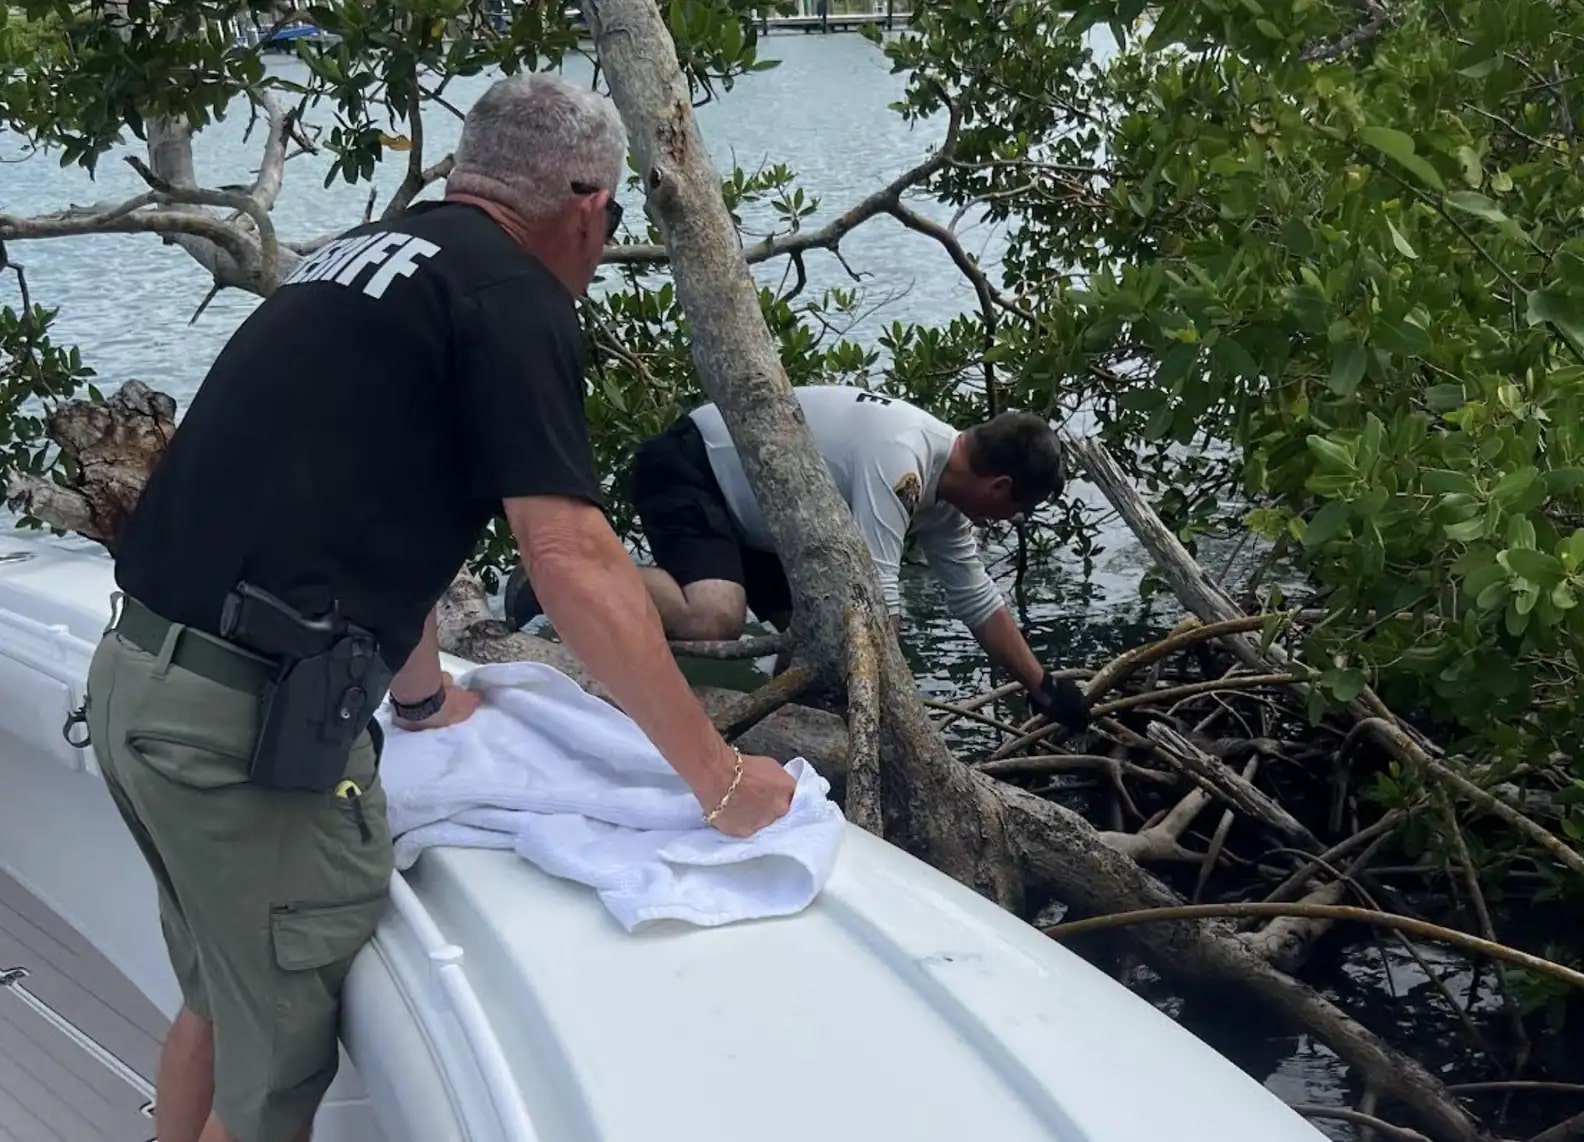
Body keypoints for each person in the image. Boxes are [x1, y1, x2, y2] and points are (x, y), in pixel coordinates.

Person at [82, 73, 794, 1142]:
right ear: (588, 205)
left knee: (220, 1004)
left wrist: (419, 703)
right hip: (237, 738)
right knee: (271, 1079)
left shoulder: (356, 259)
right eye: (610, 226)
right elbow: (570, 556)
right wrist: (721, 777)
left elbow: (371, 507)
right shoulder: (511, 297)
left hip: (138, 684)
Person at [506, 385, 1090, 731]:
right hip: (694, 466)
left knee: (816, 645)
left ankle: (773, 735)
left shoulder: (948, 496)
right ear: (1000, 487)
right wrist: (902, 715)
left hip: (763, 514)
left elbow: (977, 601)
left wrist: (1044, 689)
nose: (1006, 522)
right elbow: (876, 600)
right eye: (1017, 510)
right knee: (714, 618)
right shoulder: (904, 458)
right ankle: (554, 574)